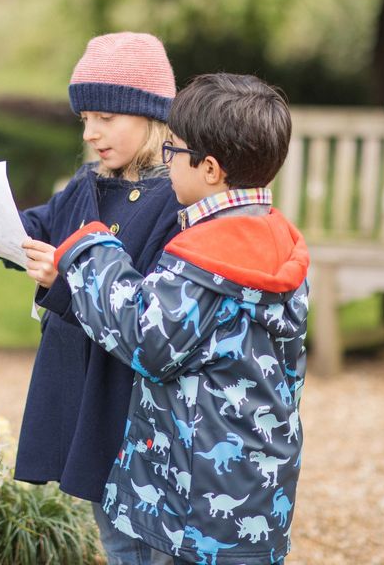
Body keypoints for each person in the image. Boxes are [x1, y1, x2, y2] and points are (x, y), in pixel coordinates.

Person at [50, 73, 310, 565]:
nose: (165, 164)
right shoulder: (279, 243)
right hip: (260, 489)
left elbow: (144, 338)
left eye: (171, 152)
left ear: (209, 168)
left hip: (188, 505)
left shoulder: (205, 260)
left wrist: (90, 248)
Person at [13, 32, 182, 565]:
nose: (90, 132)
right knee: (111, 529)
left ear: (149, 114)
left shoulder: (171, 200)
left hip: (124, 395)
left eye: (106, 118)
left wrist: (59, 283)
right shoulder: (89, 182)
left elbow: (140, 304)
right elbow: (40, 225)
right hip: (78, 382)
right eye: (84, 118)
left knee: (144, 535)